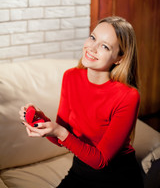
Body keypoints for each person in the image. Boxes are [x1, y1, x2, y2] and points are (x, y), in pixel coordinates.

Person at [19, 16, 144, 188]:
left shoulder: (128, 96)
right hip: (80, 170)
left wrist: (60, 132)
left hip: (117, 177)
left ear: (119, 58)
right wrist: (43, 122)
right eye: (93, 37)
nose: (91, 47)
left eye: (104, 46)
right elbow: (62, 137)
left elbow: (100, 160)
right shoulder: (71, 76)